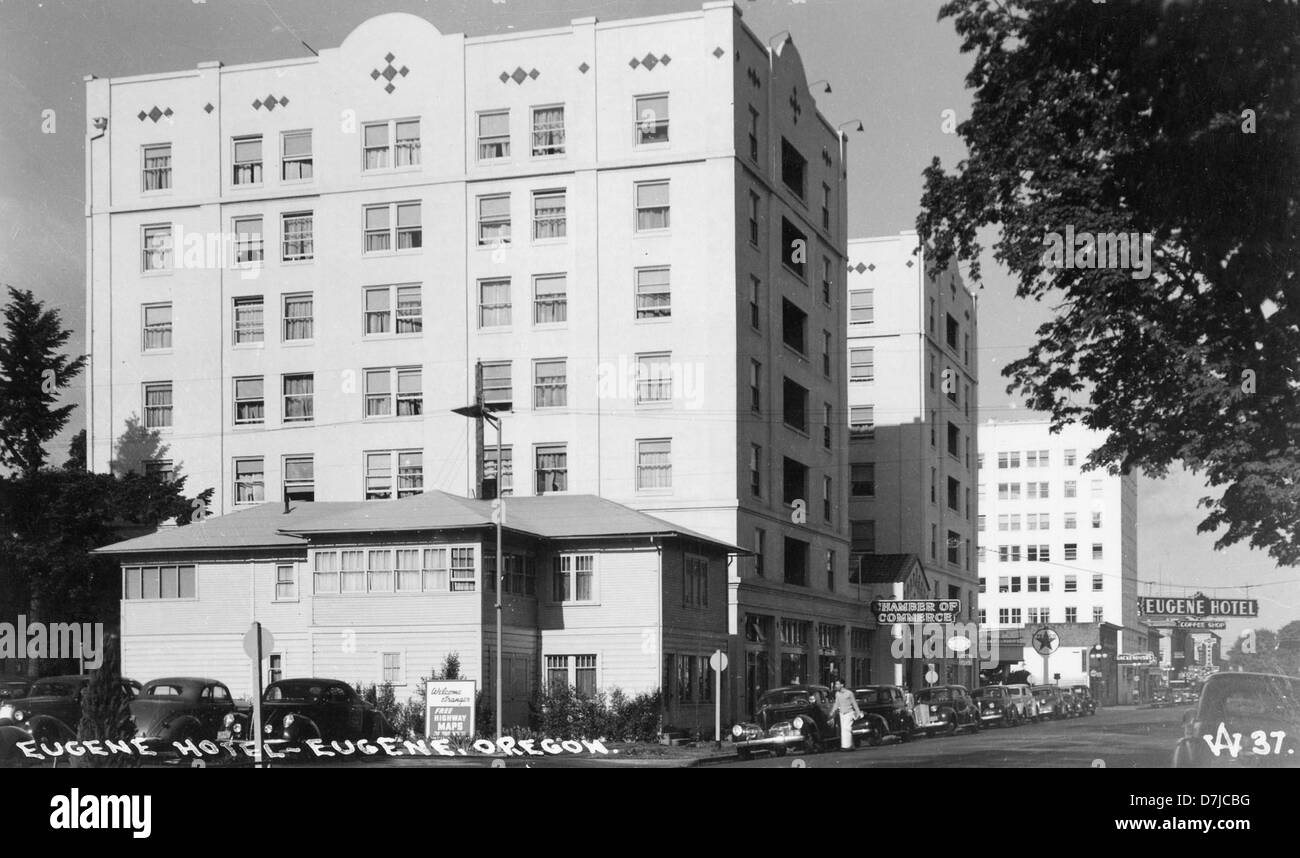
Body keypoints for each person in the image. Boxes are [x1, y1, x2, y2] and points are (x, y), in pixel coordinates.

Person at [828, 679, 862, 750]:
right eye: (835, 684)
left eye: (837, 684)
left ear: (842, 685)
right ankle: (850, 745)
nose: (836, 686)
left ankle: (846, 746)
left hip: (849, 713)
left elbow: (854, 703)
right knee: (844, 730)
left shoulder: (849, 693)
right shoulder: (837, 694)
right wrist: (832, 711)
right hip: (842, 713)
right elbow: (836, 703)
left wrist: (858, 712)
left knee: (847, 728)